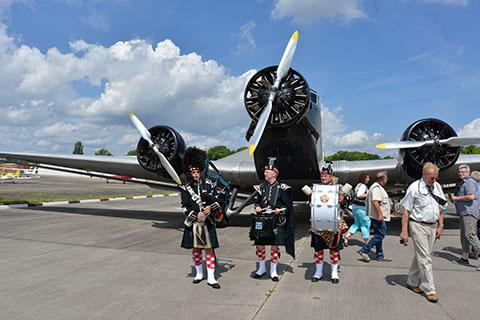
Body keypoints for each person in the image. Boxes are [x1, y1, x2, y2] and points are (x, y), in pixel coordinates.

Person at [399, 163, 446, 303]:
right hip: (418, 225)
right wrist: (404, 231)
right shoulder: (414, 188)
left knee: (422, 255)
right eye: (432, 178)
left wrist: (441, 224)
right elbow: (406, 211)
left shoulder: (437, 186)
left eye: (436, 178)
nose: (434, 180)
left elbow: (441, 206)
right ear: (424, 175)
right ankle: (430, 289)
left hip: (432, 225)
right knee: (425, 258)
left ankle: (412, 281)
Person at [180, 147, 224, 289]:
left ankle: (211, 278)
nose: (195, 174)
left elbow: (220, 199)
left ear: (201, 171)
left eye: (197, 171)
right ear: (189, 172)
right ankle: (199, 274)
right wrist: (195, 214)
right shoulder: (186, 188)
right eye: (193, 172)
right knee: (196, 249)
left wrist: (211, 207)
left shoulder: (209, 184)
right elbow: (184, 207)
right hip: (195, 224)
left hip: (208, 222)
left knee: (209, 249)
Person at [251, 157, 295, 282]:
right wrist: (258, 207)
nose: (265, 173)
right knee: (260, 245)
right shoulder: (261, 187)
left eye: (268, 172)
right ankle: (261, 268)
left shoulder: (283, 188)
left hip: (276, 220)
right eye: (265, 172)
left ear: (275, 173)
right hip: (262, 220)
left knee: (274, 247)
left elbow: (288, 207)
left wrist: (279, 210)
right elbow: (257, 202)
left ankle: (273, 271)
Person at [309, 164, 348, 284]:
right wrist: (310, 200)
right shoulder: (316, 188)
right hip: (318, 224)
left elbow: (345, 205)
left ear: (331, 176)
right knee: (318, 249)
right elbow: (311, 205)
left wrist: (343, 199)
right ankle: (318, 272)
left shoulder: (338, 188)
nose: (323, 177)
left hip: (334, 224)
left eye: (326, 175)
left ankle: (334, 273)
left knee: (334, 250)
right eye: (322, 175)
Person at [357, 171, 392, 262]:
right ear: (382, 179)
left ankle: (379, 255)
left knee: (378, 234)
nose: (387, 179)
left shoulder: (375, 187)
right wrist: (380, 214)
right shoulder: (376, 188)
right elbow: (375, 202)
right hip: (378, 217)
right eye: (386, 178)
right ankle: (364, 250)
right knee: (380, 235)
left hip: (375, 216)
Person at [450, 164, 480, 268]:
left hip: (469, 212)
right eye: (459, 172)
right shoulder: (465, 183)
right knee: (464, 236)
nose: (461, 174)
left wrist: (457, 198)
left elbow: (471, 196)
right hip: (464, 212)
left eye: (463, 172)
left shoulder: (470, 182)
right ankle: (464, 258)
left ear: (468, 172)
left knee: (470, 234)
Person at [345, 172, 371, 245]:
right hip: (361, 208)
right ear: (364, 178)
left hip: (355, 207)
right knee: (366, 223)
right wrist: (369, 194)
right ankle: (367, 242)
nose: (369, 179)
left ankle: (346, 237)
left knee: (357, 223)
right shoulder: (363, 186)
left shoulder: (358, 185)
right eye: (368, 178)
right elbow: (359, 195)